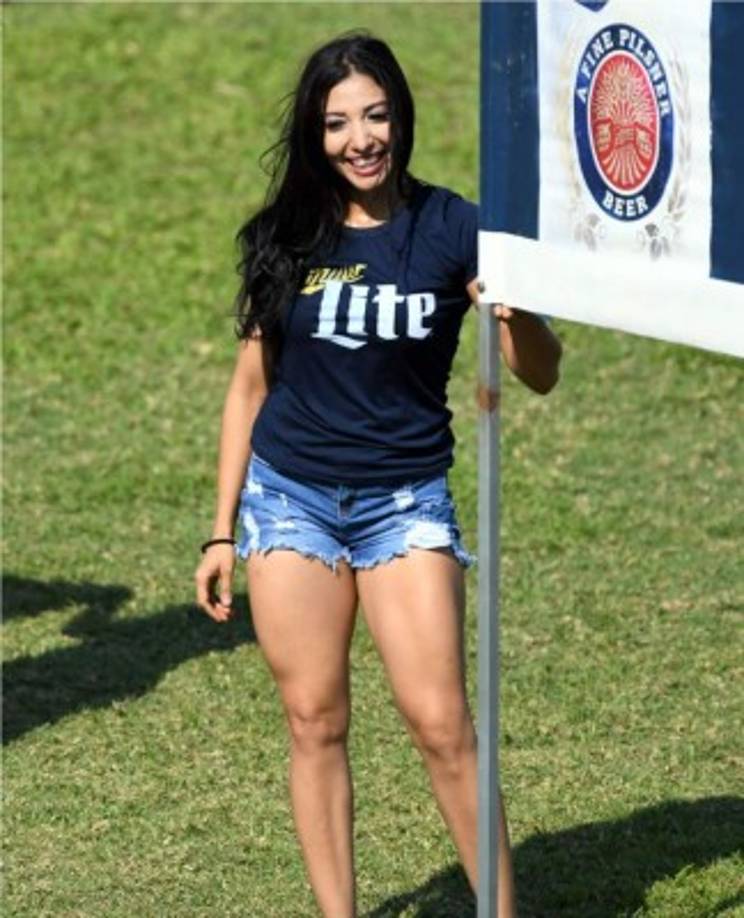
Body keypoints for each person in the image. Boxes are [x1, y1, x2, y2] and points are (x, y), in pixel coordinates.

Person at [195, 32, 562, 918]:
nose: (360, 138)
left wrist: (513, 314)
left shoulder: (457, 228)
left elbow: (542, 370)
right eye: (337, 122)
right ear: (316, 135)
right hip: (291, 503)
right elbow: (251, 387)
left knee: (442, 725)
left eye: (375, 115)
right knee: (315, 721)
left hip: (405, 505)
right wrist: (220, 527)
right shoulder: (287, 237)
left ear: (400, 117)